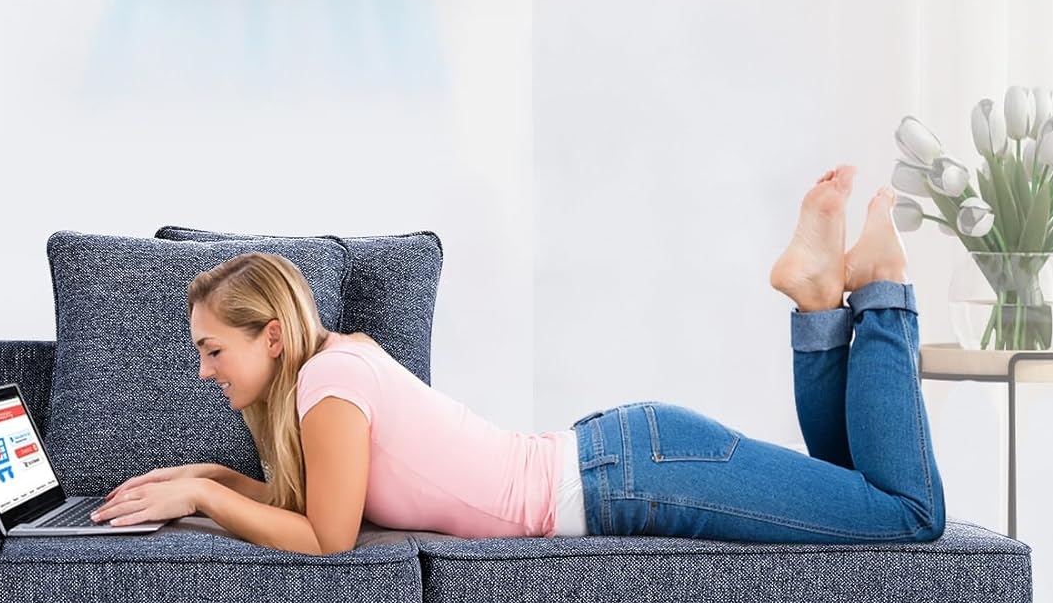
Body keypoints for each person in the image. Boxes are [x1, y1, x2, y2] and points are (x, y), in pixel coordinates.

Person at [89, 164, 945, 552]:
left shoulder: (331, 382)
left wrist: (204, 490)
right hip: (626, 462)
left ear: (270, 336)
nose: (203, 371)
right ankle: (818, 301)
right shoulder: (326, 377)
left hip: (639, 475)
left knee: (906, 515)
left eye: (212, 349)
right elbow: (302, 501)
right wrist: (209, 480)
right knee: (859, 503)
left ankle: (880, 293)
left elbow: (327, 535)